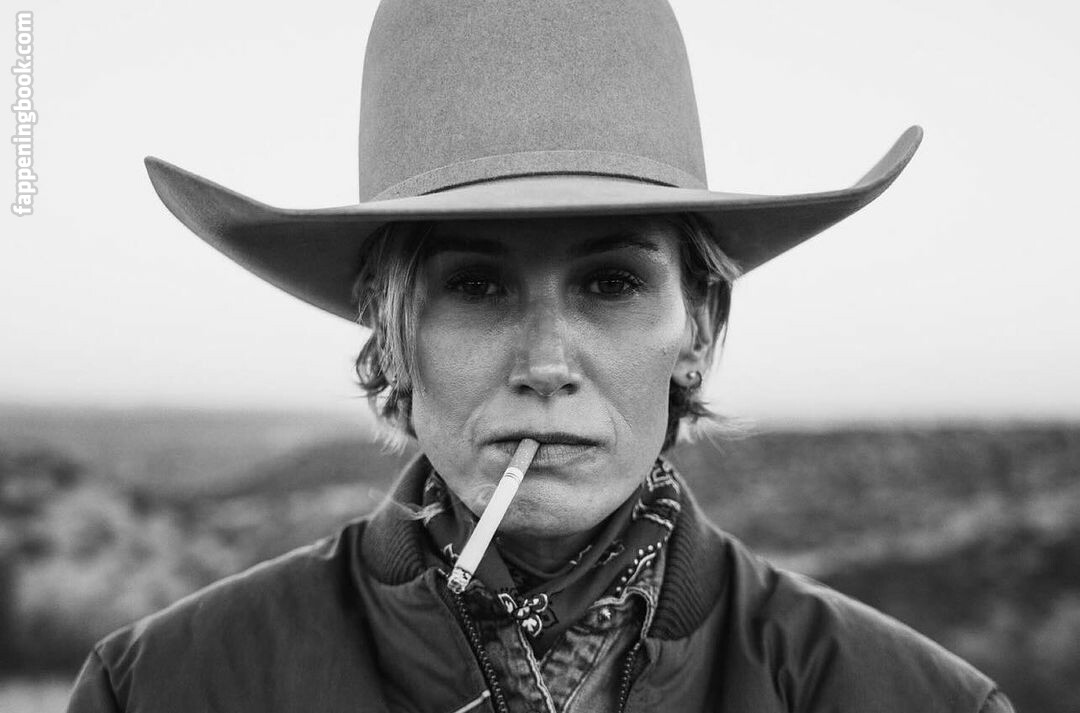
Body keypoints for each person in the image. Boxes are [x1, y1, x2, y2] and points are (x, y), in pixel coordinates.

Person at [67, 1, 1014, 711]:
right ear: (392, 338)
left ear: (697, 326)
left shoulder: (904, 697)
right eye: (477, 286)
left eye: (612, 283)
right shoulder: (165, 687)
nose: (547, 361)